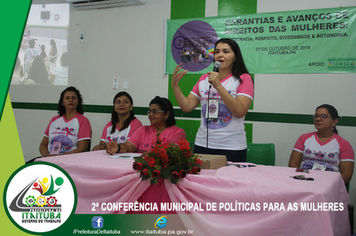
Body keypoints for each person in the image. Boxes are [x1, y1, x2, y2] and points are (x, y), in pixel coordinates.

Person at [171, 38, 254, 162]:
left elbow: (240, 111)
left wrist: (218, 85)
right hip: (202, 144)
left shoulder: (243, 78)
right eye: (217, 52)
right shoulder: (204, 79)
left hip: (231, 147)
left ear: (235, 57)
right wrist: (175, 87)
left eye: (226, 52)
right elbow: (187, 106)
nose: (220, 55)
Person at [289, 104, 354, 184]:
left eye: (323, 116)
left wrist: (326, 184)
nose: (318, 119)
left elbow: (346, 175)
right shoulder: (304, 138)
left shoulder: (344, 144)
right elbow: (293, 164)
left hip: (330, 185)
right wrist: (303, 179)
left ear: (334, 121)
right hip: (304, 181)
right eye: (316, 116)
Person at [107, 96, 186, 154]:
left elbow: (173, 152)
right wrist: (118, 147)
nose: (150, 115)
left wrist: (152, 154)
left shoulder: (178, 133)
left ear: (166, 114)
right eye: (149, 112)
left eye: (155, 111)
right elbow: (130, 146)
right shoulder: (143, 130)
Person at [39, 86, 92, 157]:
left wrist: (56, 157)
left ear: (78, 102)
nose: (71, 100)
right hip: (50, 158)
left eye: (74, 98)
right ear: (62, 102)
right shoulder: (54, 120)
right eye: (67, 98)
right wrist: (46, 157)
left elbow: (81, 149)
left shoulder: (83, 121)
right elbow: (43, 144)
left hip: (70, 161)